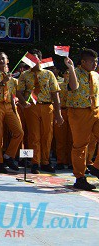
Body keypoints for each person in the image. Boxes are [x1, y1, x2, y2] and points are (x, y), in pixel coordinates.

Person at [17, 49, 64, 174]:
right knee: (34, 135)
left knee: (47, 134)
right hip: (31, 107)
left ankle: (45, 161)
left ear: (40, 59)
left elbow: (55, 94)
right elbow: (19, 92)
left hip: (47, 106)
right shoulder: (24, 75)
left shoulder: (49, 74)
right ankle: (35, 162)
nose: (33, 61)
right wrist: (23, 102)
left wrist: (58, 114)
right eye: (31, 59)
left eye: (35, 58)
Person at [65, 49, 99, 190]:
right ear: (83, 62)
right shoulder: (74, 73)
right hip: (79, 112)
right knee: (80, 145)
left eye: (96, 61)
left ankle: (96, 167)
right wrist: (71, 68)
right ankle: (80, 177)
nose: (95, 64)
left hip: (95, 110)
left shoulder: (96, 75)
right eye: (92, 61)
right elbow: (74, 87)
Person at [0, 52, 23, 174]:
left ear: (7, 61)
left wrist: (14, 108)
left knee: (19, 132)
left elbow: (12, 96)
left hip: (8, 106)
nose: (1, 60)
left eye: (3, 58)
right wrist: (2, 82)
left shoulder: (12, 79)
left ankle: (8, 156)